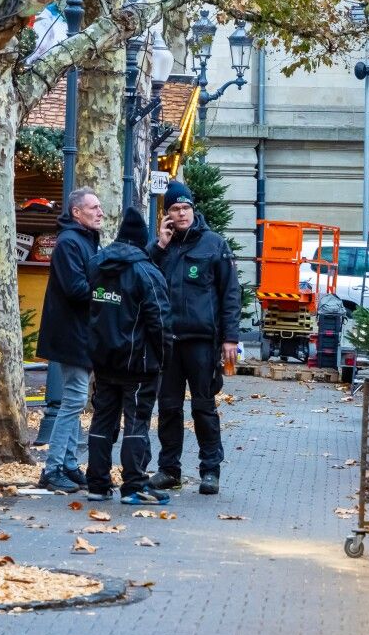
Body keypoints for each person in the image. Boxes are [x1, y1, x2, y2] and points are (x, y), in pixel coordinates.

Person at [148, 180, 241, 496]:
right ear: (167, 215)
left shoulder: (214, 244)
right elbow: (144, 278)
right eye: (175, 208)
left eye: (186, 207)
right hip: (168, 342)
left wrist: (230, 338)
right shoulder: (162, 247)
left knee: (204, 408)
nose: (181, 213)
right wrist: (159, 246)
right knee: (168, 408)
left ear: (193, 210)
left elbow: (230, 293)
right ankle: (169, 470)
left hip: (202, 341)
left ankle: (210, 471)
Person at [86, 207, 174, 505]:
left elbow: (89, 309)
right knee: (136, 423)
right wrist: (163, 358)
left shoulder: (97, 264)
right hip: (138, 362)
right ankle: (134, 485)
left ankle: (97, 484)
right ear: (141, 240)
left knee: (102, 420)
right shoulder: (147, 273)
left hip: (103, 358)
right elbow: (160, 320)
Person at [34, 187, 103, 493]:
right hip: (71, 332)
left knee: (75, 400)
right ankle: (53, 469)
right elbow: (76, 289)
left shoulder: (83, 240)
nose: (100, 212)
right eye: (94, 207)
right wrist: (106, 291)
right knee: (73, 400)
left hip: (77, 331)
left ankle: (70, 464)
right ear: (77, 212)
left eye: (99, 207)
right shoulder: (70, 242)